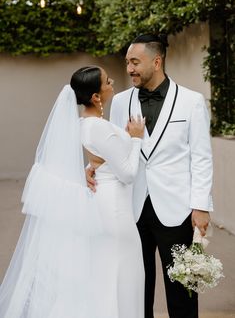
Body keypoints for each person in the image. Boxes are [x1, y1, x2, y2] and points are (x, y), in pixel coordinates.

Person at [0, 66, 145, 318]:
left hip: (104, 205)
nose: (112, 83)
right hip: (115, 212)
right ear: (96, 97)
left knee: (107, 278)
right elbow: (128, 173)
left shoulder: (86, 125)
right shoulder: (100, 127)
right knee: (124, 276)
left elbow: (100, 160)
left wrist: (88, 168)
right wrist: (136, 138)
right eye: (108, 81)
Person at [87, 34, 213, 318]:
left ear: (156, 62)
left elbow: (202, 157)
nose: (129, 69)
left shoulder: (191, 101)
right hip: (131, 208)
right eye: (127, 62)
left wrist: (202, 205)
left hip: (177, 208)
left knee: (182, 290)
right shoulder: (119, 102)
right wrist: (90, 167)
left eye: (135, 62)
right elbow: (112, 148)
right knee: (135, 289)